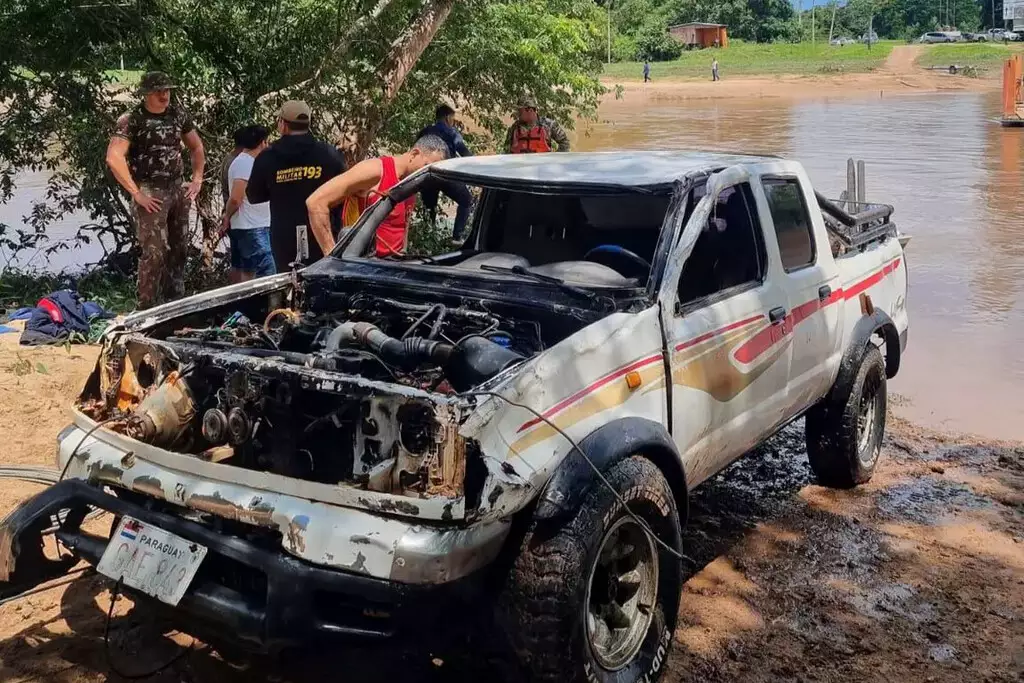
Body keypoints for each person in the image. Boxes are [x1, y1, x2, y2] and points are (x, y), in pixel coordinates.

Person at [105, 71, 205, 309]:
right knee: (155, 251)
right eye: (159, 91)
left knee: (179, 248)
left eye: (167, 90)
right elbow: (114, 157)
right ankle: (147, 306)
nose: (164, 95)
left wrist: (197, 179)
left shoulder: (178, 114)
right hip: (151, 191)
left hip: (177, 189)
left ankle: (175, 302)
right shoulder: (132, 119)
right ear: (146, 94)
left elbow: (196, 146)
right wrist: (136, 193)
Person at [306, 134, 450, 259]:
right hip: (364, 267)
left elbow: (402, 228)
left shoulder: (413, 181)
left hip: (391, 269)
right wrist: (331, 258)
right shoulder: (376, 170)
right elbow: (316, 202)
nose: (428, 174)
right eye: (426, 166)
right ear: (414, 154)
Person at [246, 100, 347, 271]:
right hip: (322, 233)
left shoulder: (267, 157)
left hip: (284, 237)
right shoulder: (328, 154)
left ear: (283, 124)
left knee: (287, 281)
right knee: (322, 277)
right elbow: (344, 191)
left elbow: (254, 196)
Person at [220, 125, 275, 283]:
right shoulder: (244, 163)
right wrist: (227, 216)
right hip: (252, 227)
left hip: (254, 226)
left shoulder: (249, 162)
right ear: (262, 143)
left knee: (249, 273)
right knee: (267, 273)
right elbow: (236, 198)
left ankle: (244, 299)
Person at [415, 104, 474, 243]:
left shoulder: (424, 132)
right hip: (447, 175)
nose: (453, 121)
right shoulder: (452, 133)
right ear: (448, 118)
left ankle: (427, 238)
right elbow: (465, 153)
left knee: (429, 208)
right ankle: (457, 237)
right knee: (466, 201)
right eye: (452, 118)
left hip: (428, 175)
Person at [504, 95, 571, 153]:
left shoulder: (548, 125)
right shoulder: (514, 127)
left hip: (543, 163)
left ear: (530, 110)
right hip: (520, 163)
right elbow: (506, 150)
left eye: (520, 111)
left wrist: (555, 159)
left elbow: (564, 143)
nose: (518, 113)